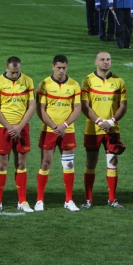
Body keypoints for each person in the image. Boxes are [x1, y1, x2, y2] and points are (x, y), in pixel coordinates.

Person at [81, 51, 127, 209]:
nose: (106, 62)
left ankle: (112, 199)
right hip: (93, 129)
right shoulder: (88, 81)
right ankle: (88, 199)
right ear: (96, 62)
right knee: (91, 162)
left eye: (108, 59)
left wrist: (112, 121)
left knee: (112, 163)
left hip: (112, 130)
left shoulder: (119, 81)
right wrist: (100, 121)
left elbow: (123, 106)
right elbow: (84, 107)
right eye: (102, 60)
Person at [0, 57, 37, 213]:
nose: (15, 75)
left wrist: (19, 127)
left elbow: (32, 106)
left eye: (17, 72)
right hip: (4, 128)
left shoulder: (28, 81)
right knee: (2, 164)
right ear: (6, 68)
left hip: (22, 128)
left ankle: (22, 201)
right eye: (12, 72)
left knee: (21, 164)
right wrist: (10, 127)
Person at [35, 55, 82, 212]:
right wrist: (55, 126)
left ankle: (69, 200)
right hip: (49, 130)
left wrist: (65, 125)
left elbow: (77, 108)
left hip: (67, 130)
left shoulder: (74, 85)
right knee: (45, 163)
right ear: (53, 67)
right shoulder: (44, 84)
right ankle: (40, 200)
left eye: (64, 68)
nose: (61, 70)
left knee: (68, 164)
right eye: (59, 67)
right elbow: (40, 109)